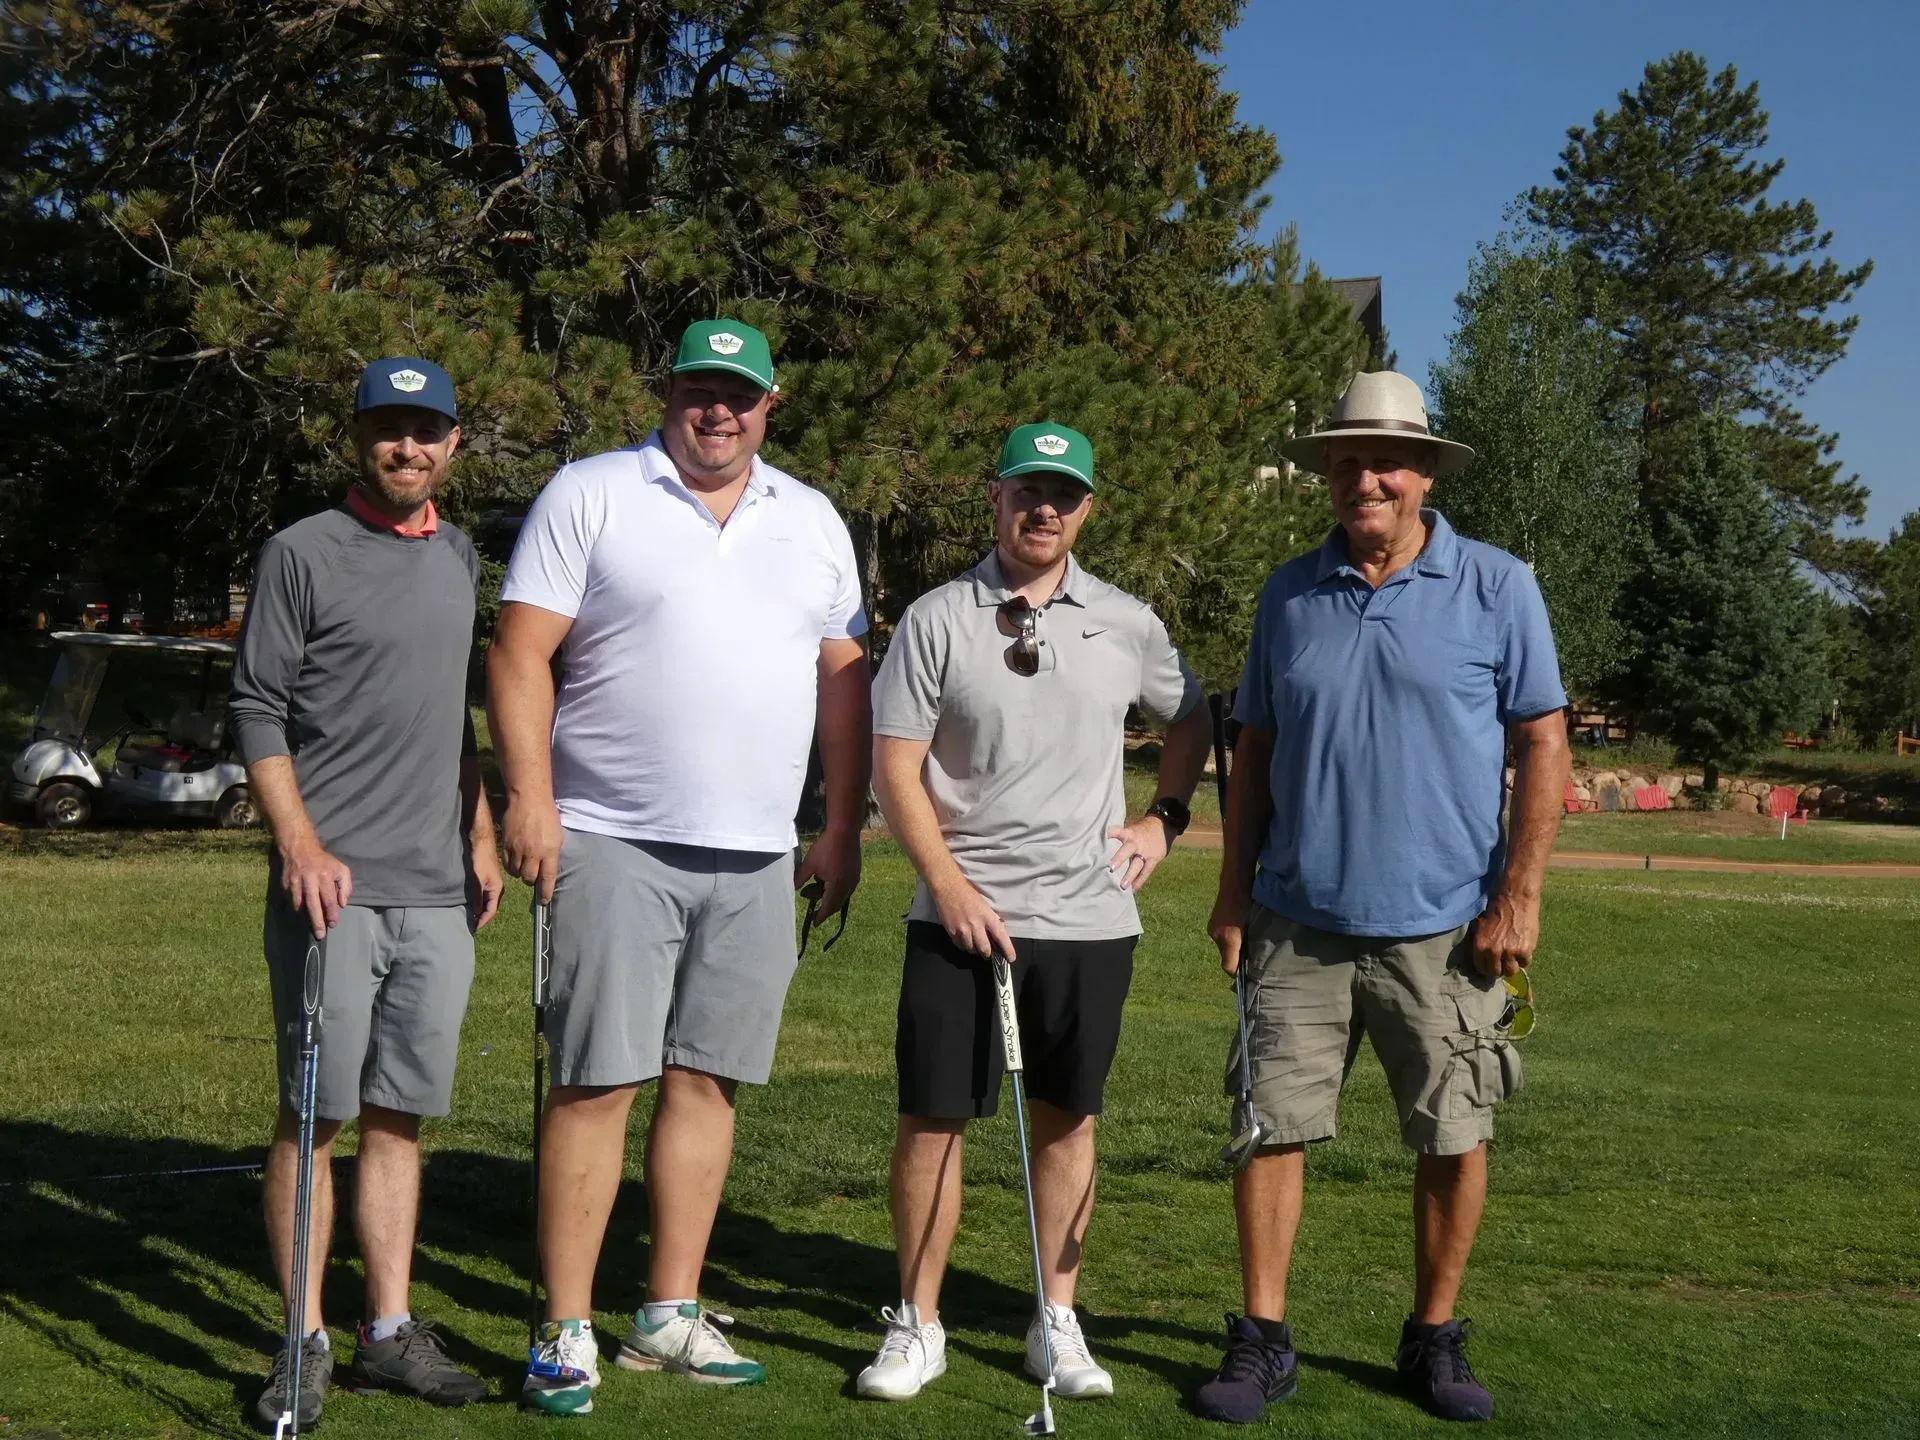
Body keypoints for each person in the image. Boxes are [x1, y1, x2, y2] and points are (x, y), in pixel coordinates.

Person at [489, 319, 871, 1414]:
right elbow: (519, 650)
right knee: (598, 1079)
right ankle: (564, 1327)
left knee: (708, 1080)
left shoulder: (813, 521)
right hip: (610, 836)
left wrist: (840, 828)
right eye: (701, 390)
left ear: (770, 404)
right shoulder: (595, 491)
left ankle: (668, 1311)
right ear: (670, 393)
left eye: (739, 395)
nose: (720, 410)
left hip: (755, 855)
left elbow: (843, 681)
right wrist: (531, 797)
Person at [1193, 371, 1571, 1425]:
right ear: (1328, 473)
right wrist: (1233, 894)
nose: (1369, 477)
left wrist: (1521, 897)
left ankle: (1434, 1337)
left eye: (1388, 460)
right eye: (1349, 459)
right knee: (1269, 1128)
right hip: (1295, 921)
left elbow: (1542, 740)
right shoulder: (1289, 592)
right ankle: (1262, 1339)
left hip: (1447, 930)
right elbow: (1253, 748)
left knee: (1454, 1135)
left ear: (1425, 475)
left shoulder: (1499, 586)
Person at [857, 422, 1211, 1403]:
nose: (1043, 509)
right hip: (957, 917)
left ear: (1087, 507)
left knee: (1068, 1123)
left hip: (1088, 918)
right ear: (996, 499)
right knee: (932, 1122)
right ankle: (917, 1324)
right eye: (1027, 492)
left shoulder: (1128, 622)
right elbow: (895, 767)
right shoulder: (938, 618)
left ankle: (1056, 1319)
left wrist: (1163, 820)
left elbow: (1194, 718)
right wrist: (952, 886)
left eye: (1063, 494)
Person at [229, 357, 502, 1431]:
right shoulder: (301, 552)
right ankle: (304, 1340)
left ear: (453, 443)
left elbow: (455, 717)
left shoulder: (460, 558)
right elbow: (257, 708)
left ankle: (390, 1332)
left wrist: (478, 832)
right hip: (330, 891)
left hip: (437, 891)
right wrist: (298, 842)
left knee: (401, 1115)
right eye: (389, 429)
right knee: (315, 1115)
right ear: (359, 439)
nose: (408, 447)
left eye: (426, 430)